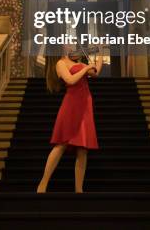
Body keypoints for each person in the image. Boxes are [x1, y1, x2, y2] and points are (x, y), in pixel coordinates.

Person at [37, 48, 103, 193]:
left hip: (85, 102)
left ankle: (79, 189)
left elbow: (95, 73)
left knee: (83, 148)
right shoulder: (60, 63)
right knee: (62, 143)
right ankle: (43, 183)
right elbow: (71, 80)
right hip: (71, 104)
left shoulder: (75, 60)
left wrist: (100, 56)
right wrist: (86, 67)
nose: (68, 46)